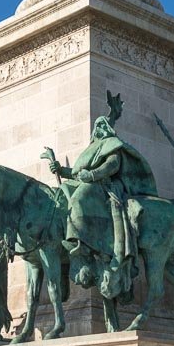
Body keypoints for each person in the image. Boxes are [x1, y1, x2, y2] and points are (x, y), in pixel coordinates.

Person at [48, 99, 156, 299]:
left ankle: (79, 243)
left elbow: (112, 165)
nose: (97, 129)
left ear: (106, 129)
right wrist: (60, 170)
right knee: (62, 195)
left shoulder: (111, 144)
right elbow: (77, 172)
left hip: (104, 185)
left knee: (79, 199)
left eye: (100, 126)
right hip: (86, 181)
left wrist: (92, 175)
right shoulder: (92, 148)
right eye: (95, 126)